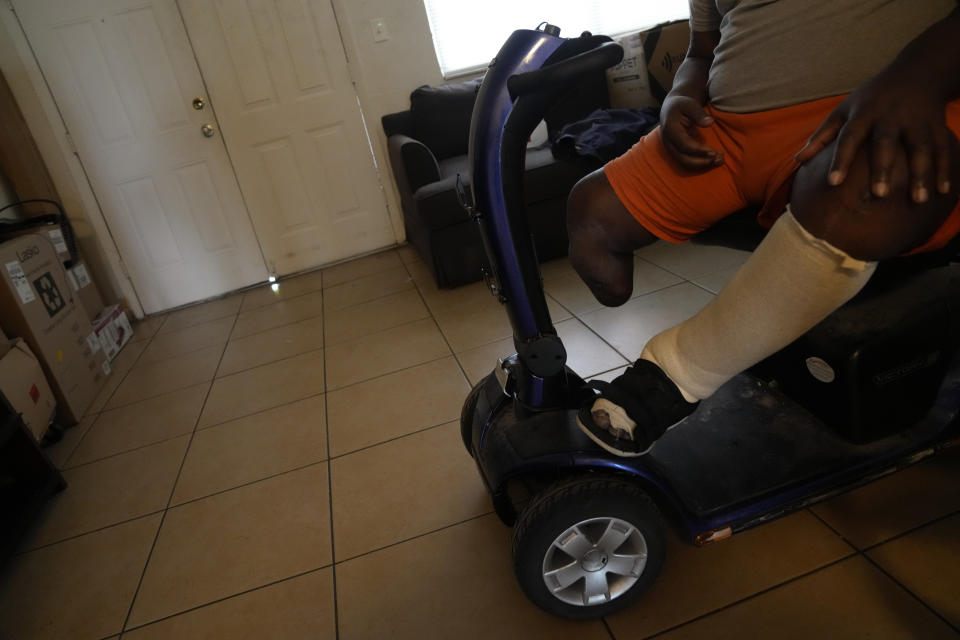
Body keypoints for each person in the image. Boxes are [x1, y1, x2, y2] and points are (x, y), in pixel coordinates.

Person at [569, 0, 960, 456]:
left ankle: (681, 371)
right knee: (591, 214)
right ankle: (787, 292)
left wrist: (917, 78)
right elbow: (701, 50)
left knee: (865, 189)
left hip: (891, 105)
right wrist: (680, 94)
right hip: (730, 133)